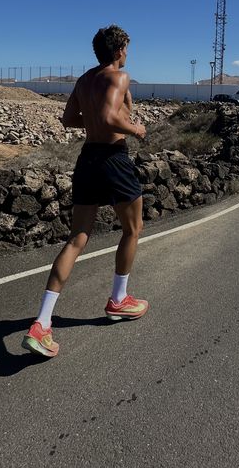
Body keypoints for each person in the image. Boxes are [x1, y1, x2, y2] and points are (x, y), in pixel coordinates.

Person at [22, 25, 148, 358]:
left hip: (87, 160)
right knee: (133, 229)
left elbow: (69, 119)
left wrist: (94, 120)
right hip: (113, 159)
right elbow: (109, 117)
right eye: (126, 48)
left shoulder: (84, 80)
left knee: (78, 237)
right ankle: (119, 299)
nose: (127, 53)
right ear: (119, 49)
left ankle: (42, 324)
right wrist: (136, 128)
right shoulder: (118, 77)